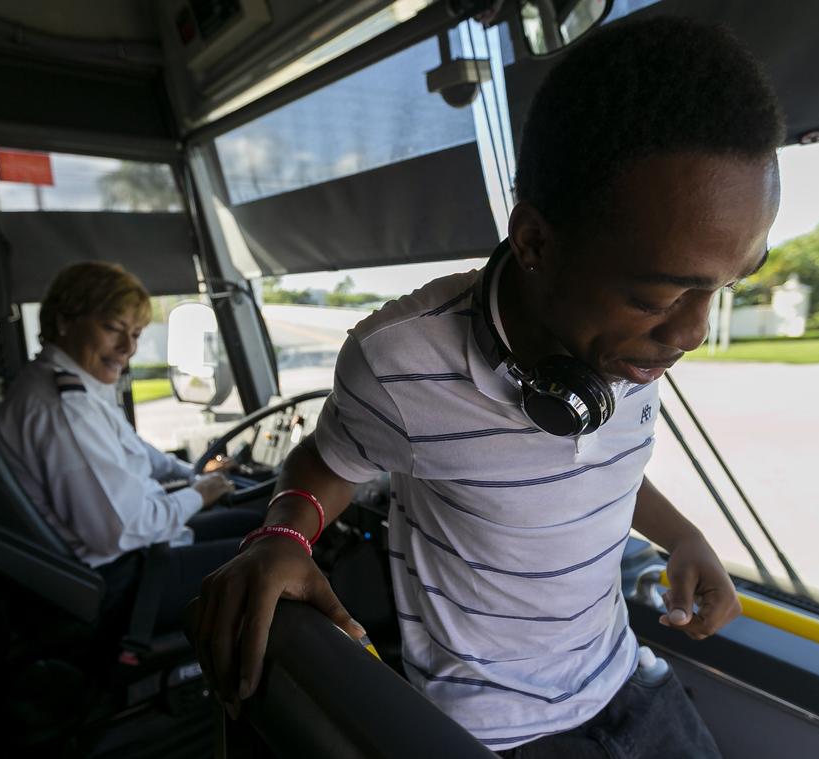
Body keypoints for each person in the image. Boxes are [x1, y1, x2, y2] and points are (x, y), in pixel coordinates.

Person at [195, 16, 783, 756]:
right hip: (493, 730)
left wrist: (685, 535)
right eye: (658, 295)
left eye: (725, 287)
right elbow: (325, 464)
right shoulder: (398, 361)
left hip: (623, 678)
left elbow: (599, 470)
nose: (693, 332)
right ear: (535, 241)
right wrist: (282, 534)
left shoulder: (630, 349)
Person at [0, 262, 262, 628]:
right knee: (284, 555)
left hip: (136, 555)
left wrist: (192, 473)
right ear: (64, 321)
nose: (128, 348)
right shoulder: (62, 409)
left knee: (266, 526)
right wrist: (200, 493)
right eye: (113, 329)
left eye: (136, 334)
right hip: (125, 582)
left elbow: (133, 449)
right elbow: (118, 530)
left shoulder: (74, 385)